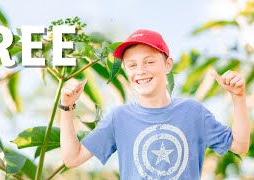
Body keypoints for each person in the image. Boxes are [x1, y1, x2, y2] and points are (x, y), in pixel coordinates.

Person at [59, 29, 250, 179]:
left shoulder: (193, 113)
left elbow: (240, 145)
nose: (140, 70)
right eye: (132, 65)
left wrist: (238, 97)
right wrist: (66, 107)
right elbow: (72, 158)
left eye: (149, 62)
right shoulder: (119, 119)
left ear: (167, 65)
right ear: (125, 70)